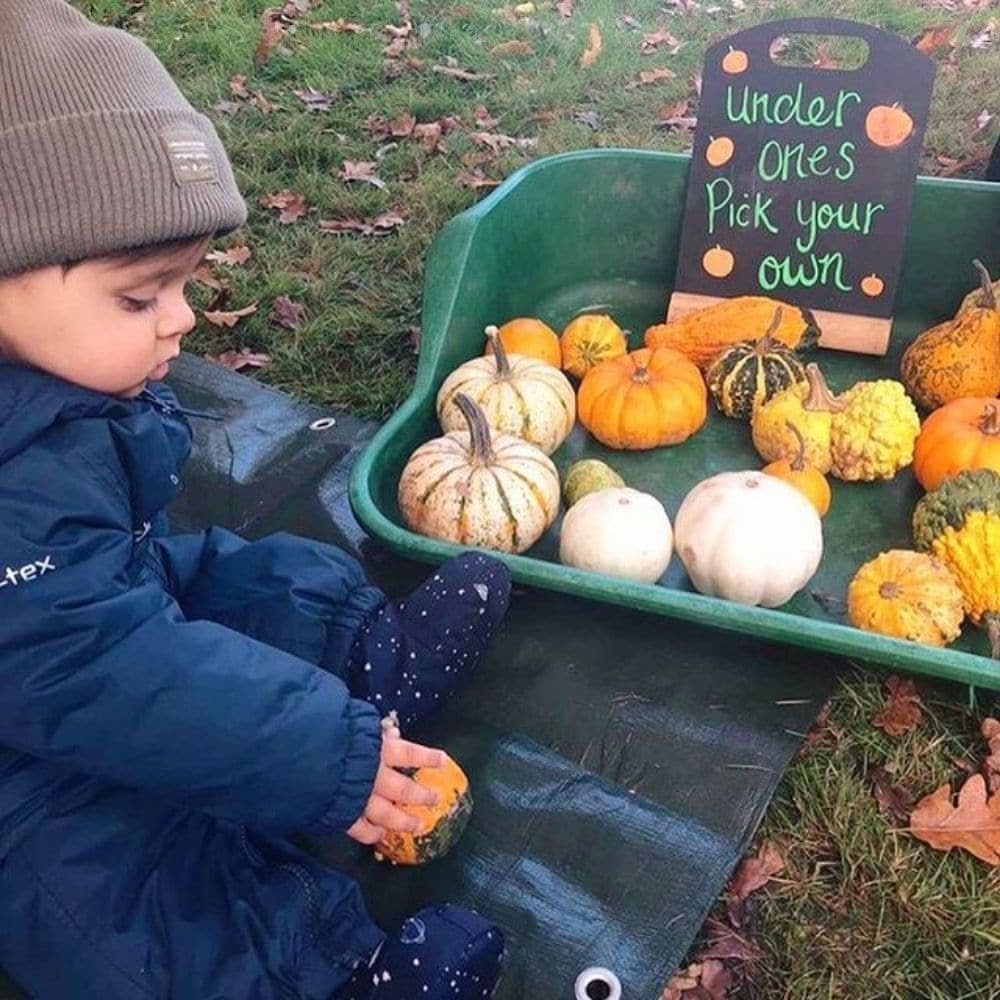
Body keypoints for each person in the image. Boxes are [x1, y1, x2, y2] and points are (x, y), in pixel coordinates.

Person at [0, 2, 510, 997]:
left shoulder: (55, 389)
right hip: (27, 752)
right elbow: (98, 668)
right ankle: (313, 972)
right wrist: (328, 756)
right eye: (140, 297)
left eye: (186, 284)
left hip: (79, 622)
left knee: (250, 574)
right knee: (109, 875)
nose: (182, 320)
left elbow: (104, 615)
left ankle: (367, 658)